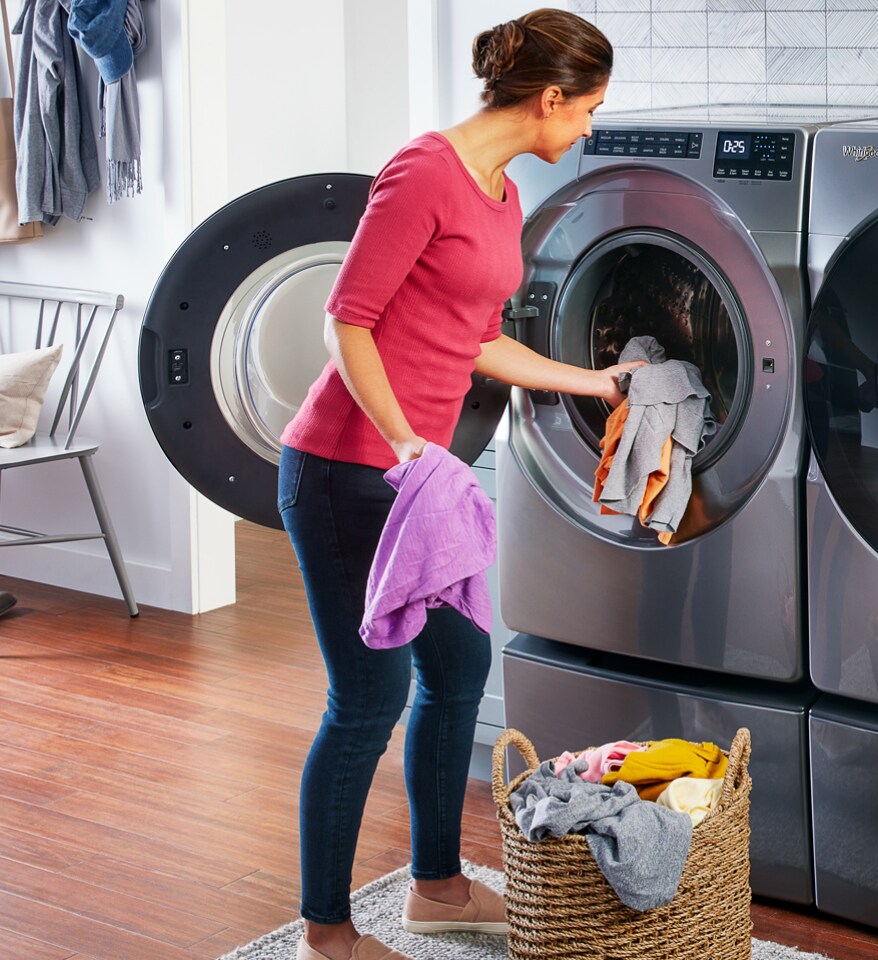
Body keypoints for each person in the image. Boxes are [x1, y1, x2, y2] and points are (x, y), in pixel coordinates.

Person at [277, 11, 631, 960]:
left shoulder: (502, 192)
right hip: (350, 474)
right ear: (549, 98)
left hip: (415, 484)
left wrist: (595, 382)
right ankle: (325, 934)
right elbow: (346, 322)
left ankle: (436, 888)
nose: (590, 128)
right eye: (589, 110)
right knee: (367, 699)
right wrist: (404, 444)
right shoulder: (423, 172)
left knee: (461, 669)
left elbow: (474, 336)